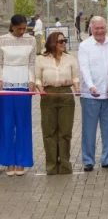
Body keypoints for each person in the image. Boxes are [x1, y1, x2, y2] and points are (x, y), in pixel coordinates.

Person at [78, 16, 108, 172]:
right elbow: (84, 68)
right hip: (90, 96)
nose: (100, 31)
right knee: (89, 129)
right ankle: (88, 161)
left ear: (106, 28)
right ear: (91, 29)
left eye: (102, 28)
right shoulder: (84, 46)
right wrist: (90, 86)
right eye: (97, 28)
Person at [35, 32, 80, 175]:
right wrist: (40, 89)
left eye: (64, 41)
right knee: (49, 132)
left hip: (66, 94)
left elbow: (75, 78)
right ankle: (51, 166)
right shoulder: (41, 59)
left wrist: (77, 89)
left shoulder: (70, 59)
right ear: (52, 42)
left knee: (65, 132)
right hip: (48, 94)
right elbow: (38, 78)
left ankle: (65, 165)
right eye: (60, 41)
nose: (63, 43)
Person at [0, 15, 36, 176]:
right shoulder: (3, 40)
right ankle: (8, 162)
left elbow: (32, 62)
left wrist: (32, 80)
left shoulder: (31, 40)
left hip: (23, 84)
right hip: (6, 85)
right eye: (19, 28)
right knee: (6, 123)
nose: (22, 31)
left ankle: (22, 161)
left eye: (24, 28)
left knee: (23, 123)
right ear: (12, 27)